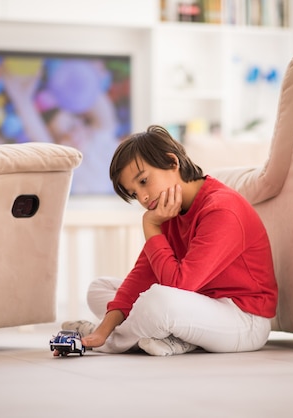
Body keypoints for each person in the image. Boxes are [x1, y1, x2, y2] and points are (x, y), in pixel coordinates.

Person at [59, 125, 278, 356]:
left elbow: (178, 287)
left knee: (157, 300)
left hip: (243, 319)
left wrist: (151, 226)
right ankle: (169, 338)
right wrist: (104, 328)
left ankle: (110, 341)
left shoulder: (222, 209)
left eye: (143, 181)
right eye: (134, 194)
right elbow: (142, 276)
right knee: (100, 288)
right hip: (196, 306)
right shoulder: (167, 211)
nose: (142, 197)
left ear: (172, 163)